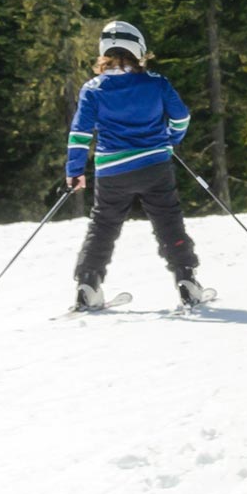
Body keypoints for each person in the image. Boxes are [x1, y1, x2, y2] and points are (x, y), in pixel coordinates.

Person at [64, 21, 207, 311]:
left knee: (103, 225)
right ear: (138, 49)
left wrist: (75, 171)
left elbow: (80, 134)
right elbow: (181, 118)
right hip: (155, 164)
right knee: (168, 221)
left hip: (111, 171)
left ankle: (88, 284)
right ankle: (186, 279)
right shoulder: (157, 82)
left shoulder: (92, 89)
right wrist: (171, 140)